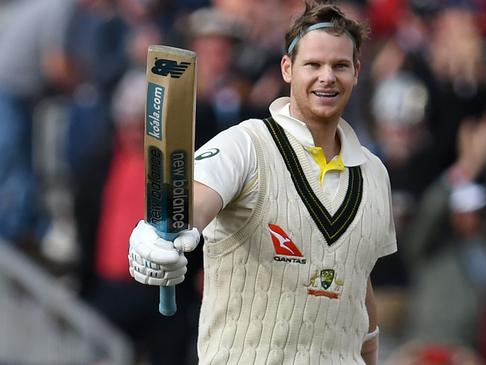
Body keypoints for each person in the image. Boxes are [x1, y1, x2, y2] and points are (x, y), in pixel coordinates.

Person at [128, 2, 397, 364]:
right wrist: (161, 234)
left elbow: (357, 277)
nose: (327, 77)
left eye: (340, 66)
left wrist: (370, 354)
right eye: (313, 65)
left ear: (357, 72)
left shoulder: (374, 172)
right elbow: (193, 203)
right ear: (287, 68)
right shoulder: (246, 144)